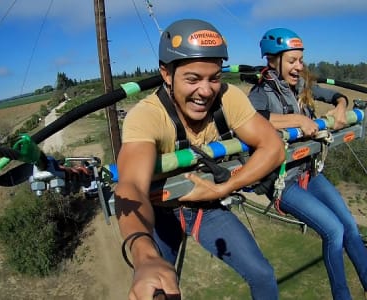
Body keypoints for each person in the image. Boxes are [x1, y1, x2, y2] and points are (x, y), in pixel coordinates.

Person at [114, 19, 285, 299]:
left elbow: (273, 147)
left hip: (207, 206)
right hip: (160, 212)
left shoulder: (228, 98)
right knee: (157, 288)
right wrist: (144, 256)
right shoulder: (146, 117)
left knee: (263, 275)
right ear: (166, 74)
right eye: (192, 79)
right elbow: (131, 185)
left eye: (215, 78)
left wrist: (223, 188)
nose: (206, 91)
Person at [247, 27, 367, 300]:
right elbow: (251, 120)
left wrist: (339, 106)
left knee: (349, 225)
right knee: (334, 231)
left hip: (308, 173)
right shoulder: (262, 92)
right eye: (292, 61)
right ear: (272, 62)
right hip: (283, 181)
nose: (299, 66)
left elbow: (335, 95)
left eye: (301, 60)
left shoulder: (301, 86)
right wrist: (298, 120)